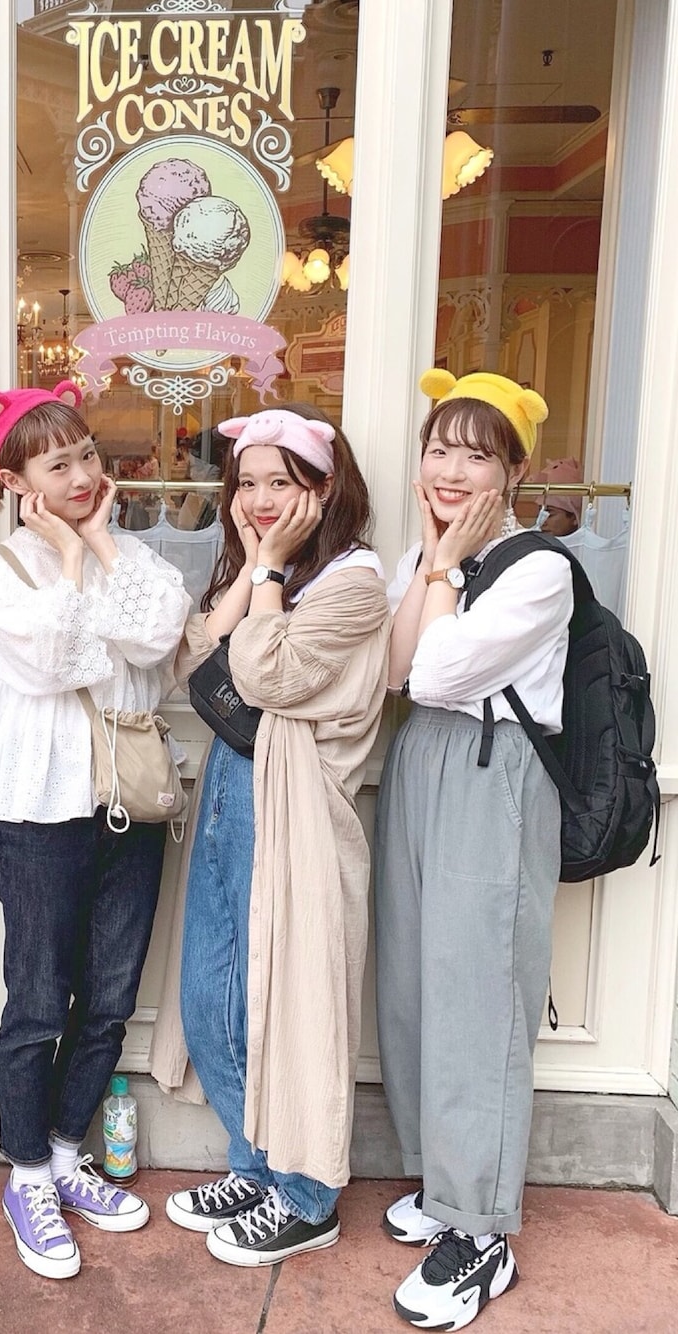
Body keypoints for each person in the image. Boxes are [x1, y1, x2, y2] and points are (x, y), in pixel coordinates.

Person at [0, 380, 191, 1281]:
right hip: (39, 811)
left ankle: (61, 1152)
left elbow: (158, 638)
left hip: (129, 803)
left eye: (86, 454)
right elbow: (52, 662)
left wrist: (100, 545)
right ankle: (25, 1176)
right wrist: (76, 563)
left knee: (111, 995)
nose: (82, 476)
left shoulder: (137, 554)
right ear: (16, 483)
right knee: (39, 999)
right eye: (58, 465)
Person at [155, 404, 391, 1266]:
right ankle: (254, 1164)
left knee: (284, 1003)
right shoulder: (267, 570)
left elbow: (266, 675)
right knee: (213, 993)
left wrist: (267, 570)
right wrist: (258, 569)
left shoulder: (355, 583)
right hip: (231, 786)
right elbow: (191, 659)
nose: (259, 499)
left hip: (296, 807)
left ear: (325, 489)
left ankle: (306, 1197)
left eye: (280, 483)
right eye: (246, 483)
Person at [374, 370, 573, 1330]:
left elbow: (442, 668)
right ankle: (443, 1182)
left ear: (514, 473)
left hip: (496, 773)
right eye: (439, 449)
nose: (450, 471)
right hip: (422, 764)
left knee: (478, 995)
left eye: (477, 455)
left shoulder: (539, 570)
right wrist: (436, 564)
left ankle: (482, 1230)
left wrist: (444, 570)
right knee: (414, 983)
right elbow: (395, 671)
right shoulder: (425, 554)